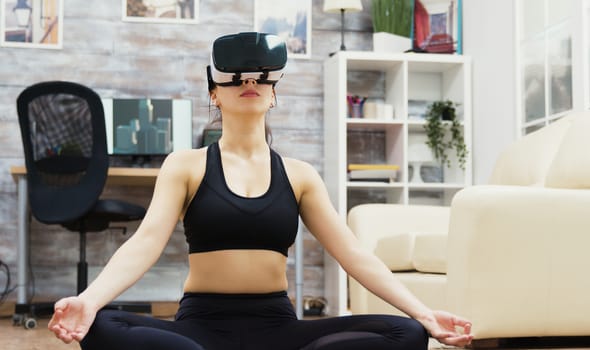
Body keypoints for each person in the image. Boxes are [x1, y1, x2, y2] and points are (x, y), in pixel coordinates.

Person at [48, 32, 473, 350]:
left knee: (407, 332)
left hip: (278, 326)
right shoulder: (186, 165)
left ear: (273, 94)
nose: (248, 81)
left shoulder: (300, 174)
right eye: (234, 79)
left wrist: (422, 311)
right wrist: (88, 300)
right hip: (200, 328)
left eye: (260, 79)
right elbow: (144, 243)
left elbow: (353, 254)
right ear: (214, 93)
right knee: (100, 324)